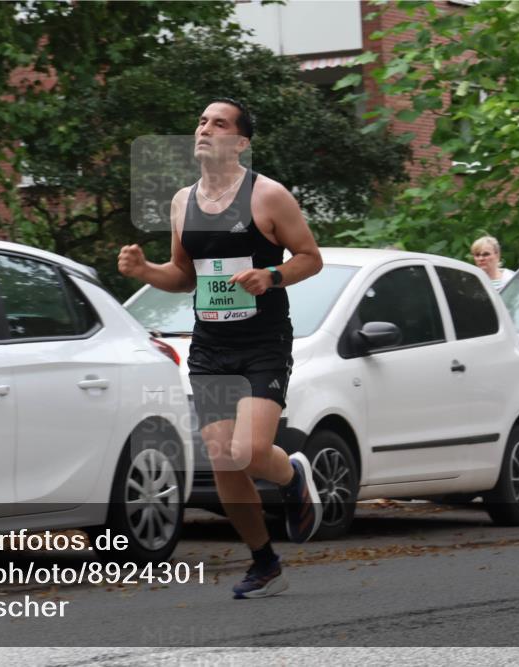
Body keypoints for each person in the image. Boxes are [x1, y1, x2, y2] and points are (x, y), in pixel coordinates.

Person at [118, 98, 324, 599]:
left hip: (263, 343)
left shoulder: (268, 196)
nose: (206, 128)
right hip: (210, 347)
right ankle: (263, 560)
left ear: (241, 142)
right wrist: (145, 272)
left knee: (250, 451)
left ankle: (292, 475)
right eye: (203, 121)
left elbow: (310, 259)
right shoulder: (181, 202)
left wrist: (271, 275)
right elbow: (184, 275)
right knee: (222, 457)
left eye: (220, 123)